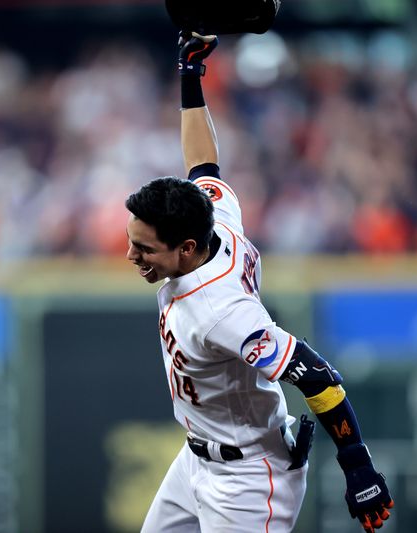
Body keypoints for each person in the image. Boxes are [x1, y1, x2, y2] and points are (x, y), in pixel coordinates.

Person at [124, 33, 395, 532]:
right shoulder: (215, 221)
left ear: (185, 248)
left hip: (248, 479)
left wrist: (357, 463)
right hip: (195, 463)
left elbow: (313, 372)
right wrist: (190, 78)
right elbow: (203, 165)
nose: (131, 255)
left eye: (144, 248)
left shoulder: (220, 311)